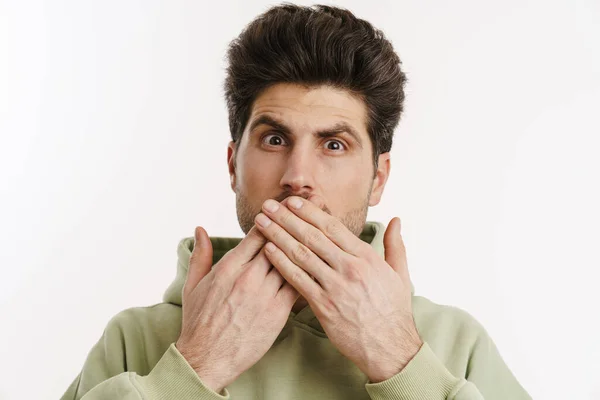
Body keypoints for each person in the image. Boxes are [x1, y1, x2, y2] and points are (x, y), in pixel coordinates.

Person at [61, 4, 531, 399]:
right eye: (274, 139)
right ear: (232, 165)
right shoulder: (133, 340)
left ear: (377, 178)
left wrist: (401, 360)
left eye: (333, 145)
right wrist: (193, 368)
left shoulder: (456, 343)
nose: (297, 178)